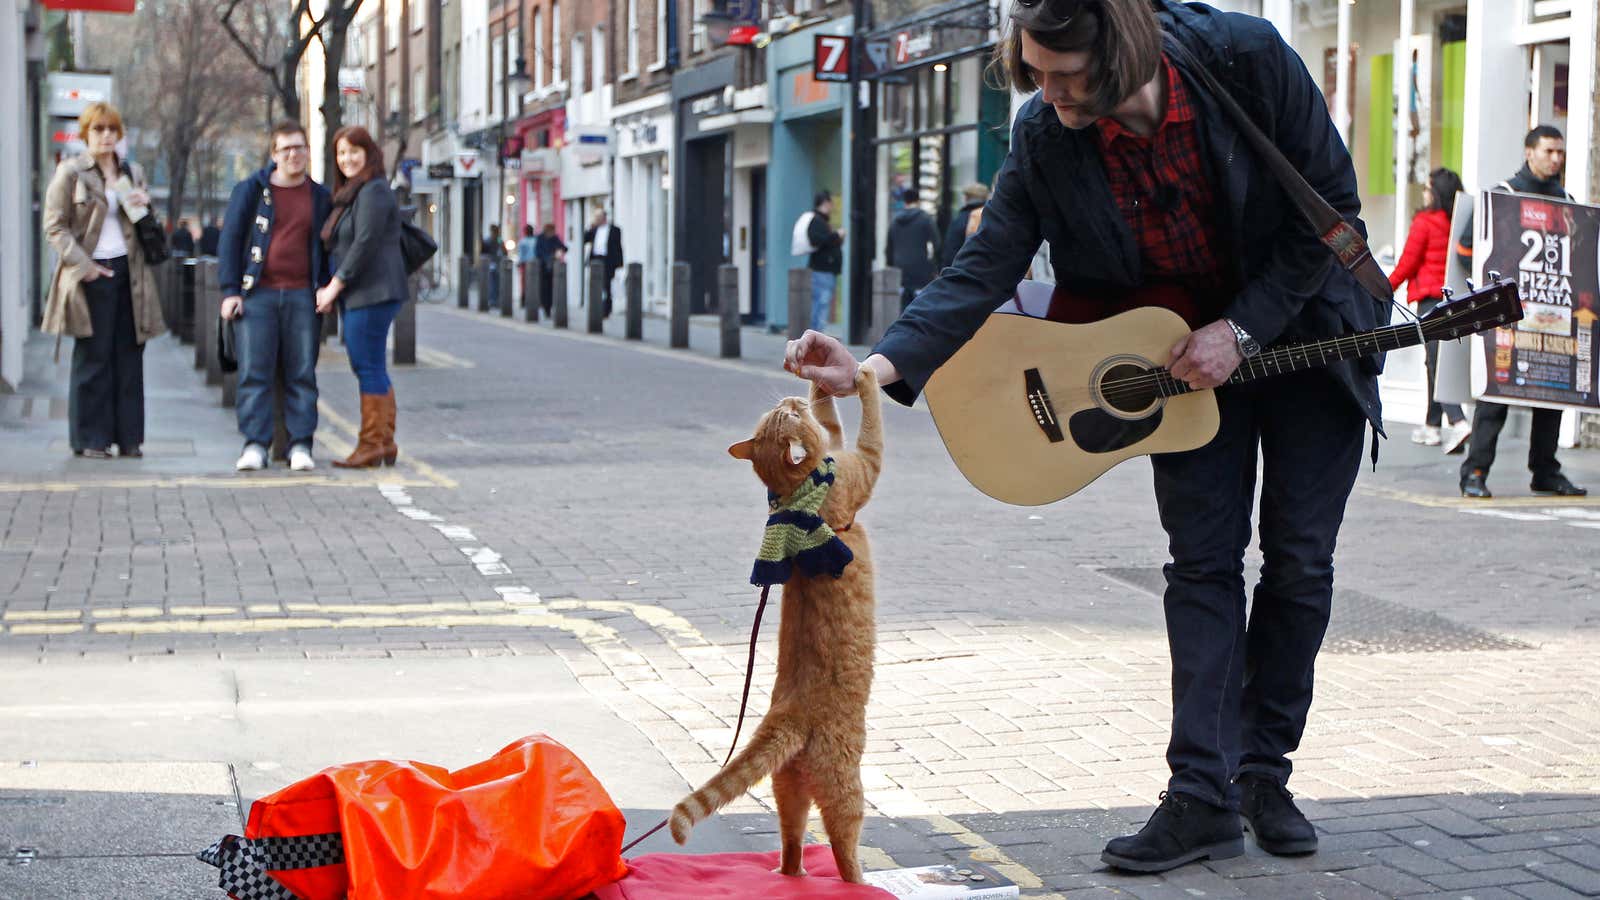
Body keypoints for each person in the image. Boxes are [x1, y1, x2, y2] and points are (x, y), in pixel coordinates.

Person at [788, 0, 1385, 874]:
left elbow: (1330, 213)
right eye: (1036, 73)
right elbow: (985, 266)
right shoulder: (1047, 133)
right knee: (1204, 565)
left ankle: (1264, 774)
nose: (1051, 94)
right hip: (1174, 366)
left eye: (1069, 76)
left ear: (1127, 50)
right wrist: (873, 369)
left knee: (1297, 561)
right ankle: (1201, 797)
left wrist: (1243, 328)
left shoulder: (1248, 61)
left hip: (1302, 339)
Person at [1454, 125, 1587, 499]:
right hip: (1507, 317)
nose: (1556, 159)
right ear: (1529, 153)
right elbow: (1466, 252)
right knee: (1496, 396)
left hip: (1554, 315)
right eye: (1549, 151)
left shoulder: (1569, 203)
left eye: (1560, 152)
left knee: (1553, 395)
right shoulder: (1502, 197)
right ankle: (1475, 472)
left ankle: (1545, 472)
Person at [42, 100, 165, 459]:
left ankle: (129, 439)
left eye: (112, 129)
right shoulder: (71, 172)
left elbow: (144, 224)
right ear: (85, 134)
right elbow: (55, 226)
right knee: (92, 358)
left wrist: (145, 205)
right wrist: (86, 266)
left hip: (131, 275)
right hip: (90, 275)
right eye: (98, 129)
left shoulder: (133, 172)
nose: (106, 136)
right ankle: (91, 438)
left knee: (129, 356)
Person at [217, 120, 333, 472]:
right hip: (258, 295)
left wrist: (327, 286)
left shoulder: (319, 196)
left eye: (300, 148)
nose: (294, 155)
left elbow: (328, 247)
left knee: (302, 373)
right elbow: (231, 241)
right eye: (286, 149)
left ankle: (300, 445)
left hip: (302, 295)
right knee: (254, 372)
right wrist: (230, 291)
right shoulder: (250, 191)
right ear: (274, 154)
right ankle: (255, 444)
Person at [318, 125, 410, 469]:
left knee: (366, 364)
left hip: (372, 292)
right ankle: (383, 443)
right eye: (341, 153)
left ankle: (372, 443)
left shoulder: (372, 191)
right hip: (366, 292)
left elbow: (364, 244)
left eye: (354, 151)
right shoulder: (353, 193)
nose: (347, 159)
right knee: (369, 364)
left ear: (369, 153)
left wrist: (333, 287)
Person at [1388, 167, 1470, 454]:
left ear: (1435, 192)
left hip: (1429, 302)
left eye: (1427, 187)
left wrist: (1384, 288)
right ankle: (1432, 427)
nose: (1423, 192)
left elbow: (1408, 263)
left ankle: (1458, 421)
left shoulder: (1425, 222)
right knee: (1434, 360)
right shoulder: (1460, 221)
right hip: (1455, 299)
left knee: (1436, 362)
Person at [885, 186, 939, 308]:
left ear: (904, 201)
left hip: (900, 269)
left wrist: (891, 266)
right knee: (921, 306)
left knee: (902, 306)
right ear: (918, 201)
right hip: (921, 268)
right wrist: (935, 266)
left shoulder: (895, 221)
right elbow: (937, 244)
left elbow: (889, 247)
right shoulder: (926, 219)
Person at [803, 191, 846, 332]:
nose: (832, 206)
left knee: (820, 304)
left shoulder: (821, 220)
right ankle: (816, 338)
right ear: (826, 203)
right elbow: (817, 240)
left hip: (825, 270)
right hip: (822, 271)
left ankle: (815, 336)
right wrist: (835, 235)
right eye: (831, 202)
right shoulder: (817, 221)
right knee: (821, 304)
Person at [583, 209, 624, 317]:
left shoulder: (615, 230)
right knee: (595, 284)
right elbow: (584, 239)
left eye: (598, 217)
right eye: (596, 217)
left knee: (606, 285)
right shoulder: (594, 229)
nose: (597, 219)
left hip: (608, 260)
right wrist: (590, 227)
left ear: (604, 218)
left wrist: (619, 263)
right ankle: (595, 308)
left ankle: (606, 310)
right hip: (595, 259)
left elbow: (618, 247)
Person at [941, 182, 990, 269]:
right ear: (986, 198)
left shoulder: (959, 220)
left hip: (962, 272)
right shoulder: (990, 217)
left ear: (966, 198)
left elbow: (950, 252)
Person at [534, 222, 567, 317]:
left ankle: (550, 306)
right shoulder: (540, 238)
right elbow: (537, 252)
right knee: (544, 288)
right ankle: (546, 308)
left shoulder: (555, 238)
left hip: (554, 267)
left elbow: (564, 248)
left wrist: (558, 252)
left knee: (552, 288)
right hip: (543, 267)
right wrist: (546, 258)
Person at [482, 224, 504, 309]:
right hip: (490, 264)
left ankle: (496, 300)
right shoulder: (487, 240)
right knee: (491, 283)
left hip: (498, 264)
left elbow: (504, 251)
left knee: (497, 283)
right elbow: (484, 252)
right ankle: (492, 300)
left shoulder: (499, 240)